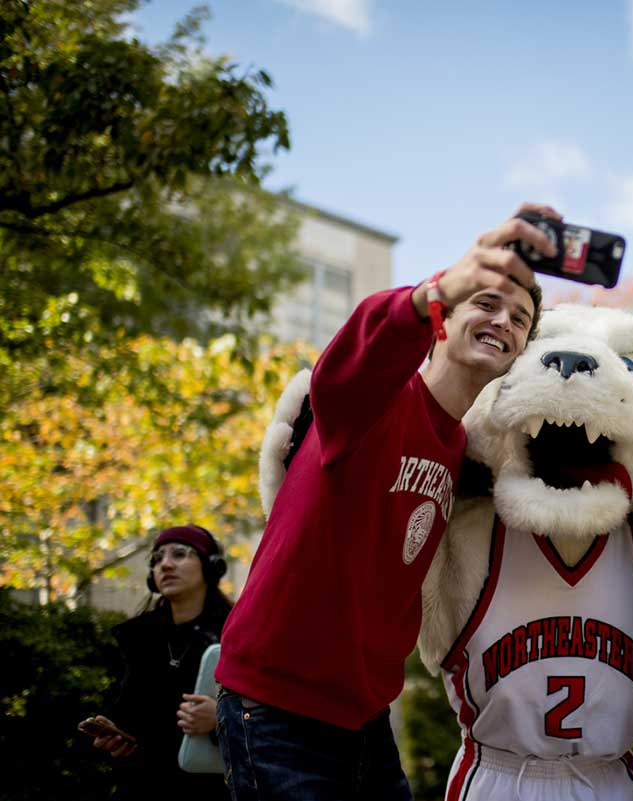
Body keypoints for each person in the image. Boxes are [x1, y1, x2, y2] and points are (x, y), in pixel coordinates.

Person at [214, 204, 557, 800]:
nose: (503, 320)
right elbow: (350, 360)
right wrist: (438, 287)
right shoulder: (374, 401)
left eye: (520, 318)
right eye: (485, 302)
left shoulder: (456, 445)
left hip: (365, 722)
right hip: (276, 712)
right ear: (441, 320)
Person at [90, 524, 233, 801]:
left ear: (212, 567)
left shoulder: (237, 634)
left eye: (180, 554)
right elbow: (121, 709)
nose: (165, 564)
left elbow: (269, 716)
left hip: (213, 790)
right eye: (156, 559)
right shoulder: (133, 638)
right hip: (144, 786)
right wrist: (113, 735)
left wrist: (223, 717)